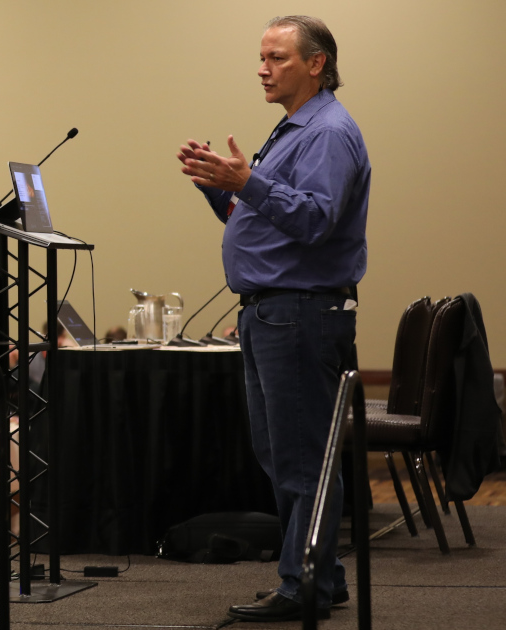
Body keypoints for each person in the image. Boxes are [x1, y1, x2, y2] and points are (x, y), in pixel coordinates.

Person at [177, 15, 368, 622]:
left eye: (277, 57)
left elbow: (316, 220)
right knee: (283, 456)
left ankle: (302, 584)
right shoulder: (291, 131)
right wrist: (223, 187)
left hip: (299, 314)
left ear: (316, 64)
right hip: (272, 313)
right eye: (261, 57)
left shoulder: (328, 133)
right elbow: (262, 218)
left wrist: (250, 182)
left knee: (301, 458)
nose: (263, 68)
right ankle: (322, 578)